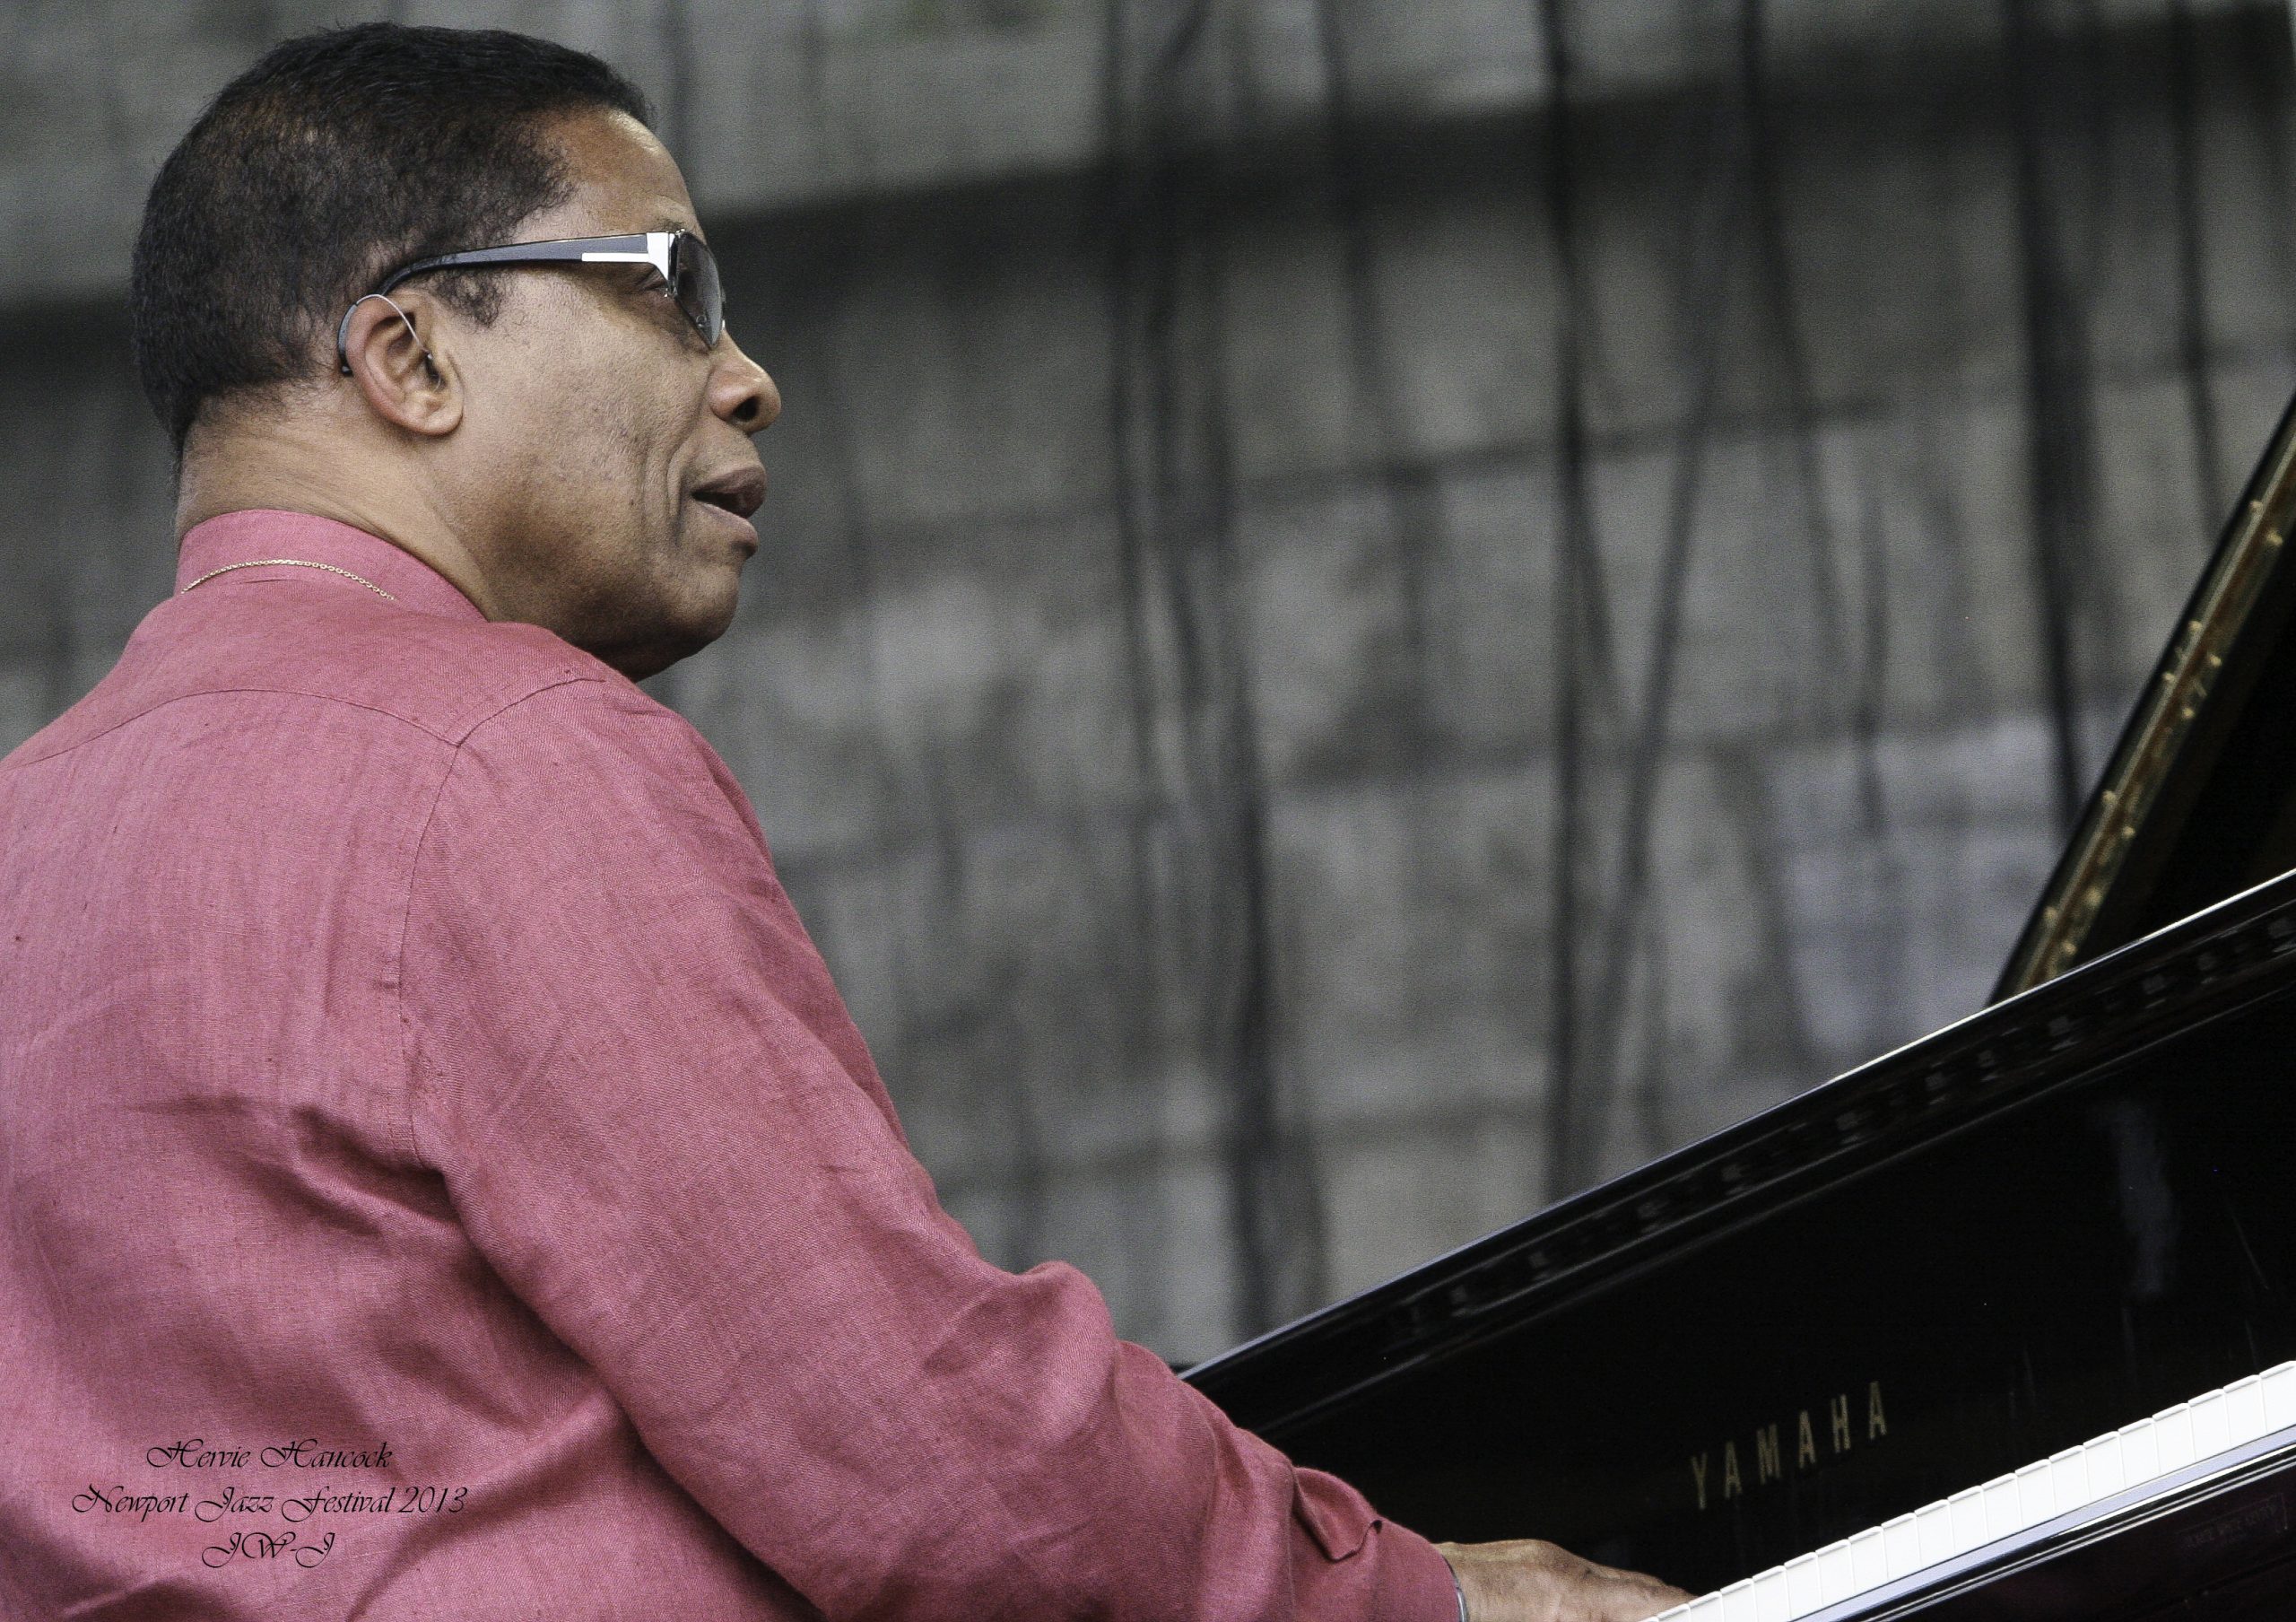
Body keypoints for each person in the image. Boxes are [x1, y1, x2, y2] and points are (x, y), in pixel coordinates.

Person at [0, 23, 1688, 1622]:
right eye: (673, 290)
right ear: (412, 354)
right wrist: (1425, 1596)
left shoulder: (28, 830)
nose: (749, 381)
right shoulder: (505, 759)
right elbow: (935, 1466)